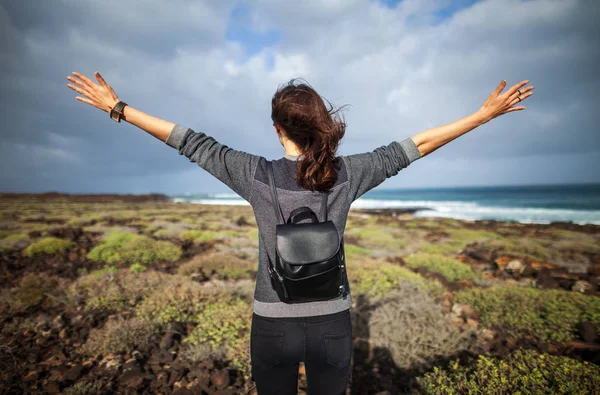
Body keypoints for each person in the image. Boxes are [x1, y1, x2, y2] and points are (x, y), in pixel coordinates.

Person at [66, 72, 533, 394]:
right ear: (319, 127)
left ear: (277, 127)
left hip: (272, 323)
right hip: (332, 322)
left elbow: (188, 141)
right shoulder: (348, 173)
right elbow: (418, 145)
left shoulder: (253, 174)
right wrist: (482, 115)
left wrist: (118, 107)